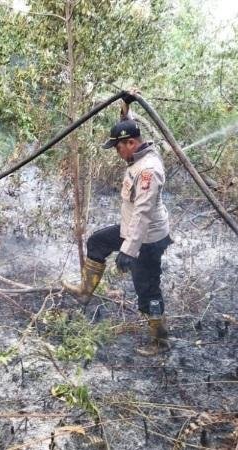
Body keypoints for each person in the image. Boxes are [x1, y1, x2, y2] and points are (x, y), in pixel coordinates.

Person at [62, 111, 172, 355]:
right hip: (133, 229)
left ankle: (160, 340)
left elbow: (143, 212)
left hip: (147, 239)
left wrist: (128, 251)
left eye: (118, 147)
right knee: (98, 242)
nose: (116, 152)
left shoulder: (148, 170)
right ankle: (85, 292)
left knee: (147, 289)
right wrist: (127, 104)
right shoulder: (140, 155)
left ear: (131, 143)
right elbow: (130, 125)